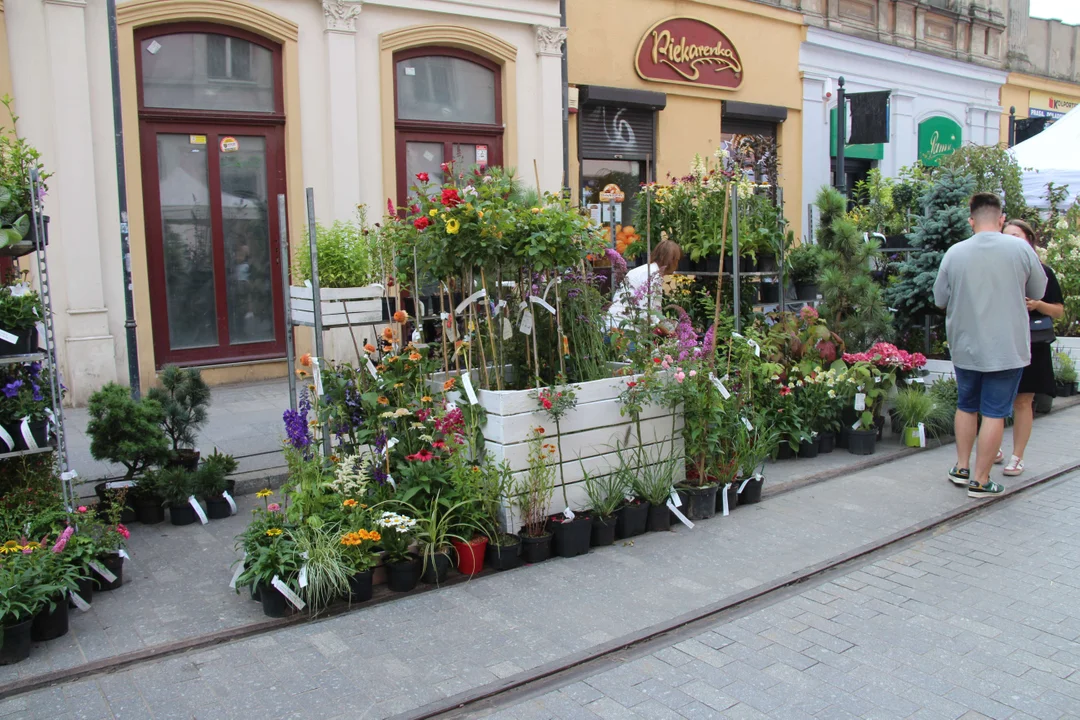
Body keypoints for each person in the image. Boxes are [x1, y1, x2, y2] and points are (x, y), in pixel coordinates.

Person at [933, 193, 1047, 498]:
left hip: (966, 344)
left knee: (966, 405)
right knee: (995, 412)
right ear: (1000, 220)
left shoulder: (955, 253)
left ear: (971, 221)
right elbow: (1038, 290)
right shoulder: (1020, 248)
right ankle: (981, 481)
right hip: (1006, 347)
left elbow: (940, 299)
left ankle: (961, 467)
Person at [994, 219, 1064, 477]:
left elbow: (1058, 311)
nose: (1011, 241)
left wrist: (1037, 304)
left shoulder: (1042, 271)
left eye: (1016, 236)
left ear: (1029, 240)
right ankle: (995, 448)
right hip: (1002, 340)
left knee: (1024, 400)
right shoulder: (996, 270)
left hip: (1033, 343)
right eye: (1006, 236)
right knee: (997, 397)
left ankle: (1017, 456)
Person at [607, 240, 682, 328]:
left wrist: (665, 322)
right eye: (677, 260)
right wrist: (667, 329)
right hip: (625, 329)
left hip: (612, 323)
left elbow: (655, 310)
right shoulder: (653, 276)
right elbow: (646, 312)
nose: (677, 264)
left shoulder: (644, 270)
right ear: (671, 260)